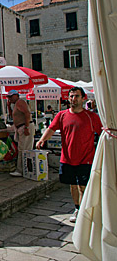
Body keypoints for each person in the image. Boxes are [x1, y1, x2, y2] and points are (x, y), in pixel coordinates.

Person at [36, 87, 102, 223]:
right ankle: (77, 208)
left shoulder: (91, 117)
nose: (73, 99)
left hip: (86, 158)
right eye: (71, 96)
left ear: (83, 98)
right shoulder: (62, 115)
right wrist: (42, 139)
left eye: (76, 96)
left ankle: (85, 211)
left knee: (83, 186)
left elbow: (102, 133)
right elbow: (51, 128)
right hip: (67, 158)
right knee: (72, 185)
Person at [7, 90, 35, 177]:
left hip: (24, 127)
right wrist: (8, 106)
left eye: (11, 97)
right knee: (22, 148)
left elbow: (27, 113)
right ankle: (23, 169)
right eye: (8, 97)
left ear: (16, 95)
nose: (9, 99)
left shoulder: (20, 102)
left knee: (23, 149)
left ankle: (21, 170)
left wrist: (26, 127)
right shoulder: (16, 104)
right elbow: (12, 116)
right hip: (21, 127)